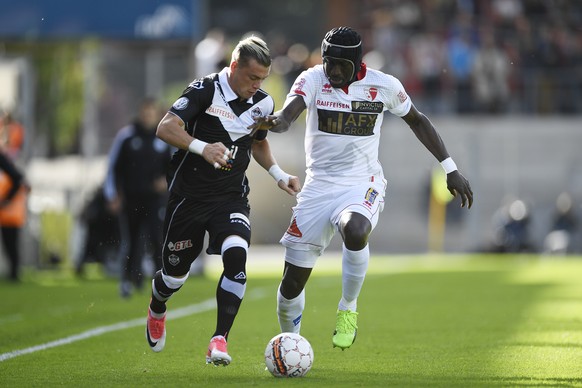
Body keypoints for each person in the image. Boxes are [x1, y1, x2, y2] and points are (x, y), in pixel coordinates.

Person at [250, 26, 474, 350]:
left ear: (358, 63)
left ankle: (348, 306)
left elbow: (418, 120)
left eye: (341, 65)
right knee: (290, 287)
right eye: (329, 63)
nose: (334, 71)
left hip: (362, 182)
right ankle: (291, 344)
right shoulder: (313, 79)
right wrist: (274, 122)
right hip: (317, 186)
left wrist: (450, 169)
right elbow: (289, 115)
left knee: (355, 230)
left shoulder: (383, 85)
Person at [145, 35, 300, 366]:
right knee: (173, 277)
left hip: (230, 198)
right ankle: (158, 306)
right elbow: (165, 127)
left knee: (236, 256)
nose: (257, 85)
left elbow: (257, 143)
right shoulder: (204, 89)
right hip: (188, 197)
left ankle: (219, 340)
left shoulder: (263, 102)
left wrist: (278, 175)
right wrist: (203, 147)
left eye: (262, 78)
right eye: (252, 77)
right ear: (234, 67)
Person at [104, 98, 172, 298]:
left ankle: (161, 284)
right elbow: (113, 169)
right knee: (131, 241)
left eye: (151, 112)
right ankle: (127, 280)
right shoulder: (126, 137)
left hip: (155, 200)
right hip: (131, 200)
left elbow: (172, 168)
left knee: (156, 239)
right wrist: (113, 195)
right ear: (140, 113)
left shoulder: (162, 138)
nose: (148, 116)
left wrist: (165, 181)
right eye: (145, 112)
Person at [0, 151, 28, 281]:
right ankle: (14, 273)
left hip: (10, 215)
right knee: (10, 245)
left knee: (11, 245)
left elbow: (19, 182)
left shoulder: (11, 175)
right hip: (10, 214)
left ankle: (14, 273)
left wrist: (6, 200)